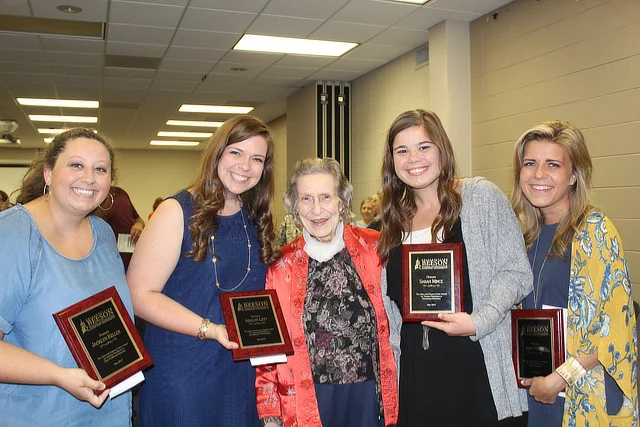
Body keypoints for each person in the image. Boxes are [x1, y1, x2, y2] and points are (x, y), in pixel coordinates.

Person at [378, 109, 532, 427]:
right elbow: (392, 310)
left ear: (441, 150)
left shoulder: (478, 198)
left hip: (476, 367)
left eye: (424, 146)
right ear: (392, 161)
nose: (413, 159)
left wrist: (478, 321)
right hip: (418, 379)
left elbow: (517, 271)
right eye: (401, 150)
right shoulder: (393, 223)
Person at [127, 115, 278, 427]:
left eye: (257, 159)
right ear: (217, 154)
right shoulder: (177, 211)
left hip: (239, 370)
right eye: (236, 153)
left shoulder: (256, 218)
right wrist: (210, 329)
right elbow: (139, 294)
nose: (245, 166)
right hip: (184, 369)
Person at [0, 128, 133, 426]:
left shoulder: (103, 234)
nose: (89, 178)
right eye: (76, 165)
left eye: (100, 169)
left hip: (110, 411)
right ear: (48, 173)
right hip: (39, 414)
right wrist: (59, 376)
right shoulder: (12, 234)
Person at [511, 120, 638, 426]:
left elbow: (614, 329)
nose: (539, 174)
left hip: (580, 389)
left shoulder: (595, 231)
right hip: (536, 382)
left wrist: (561, 378)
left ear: (573, 176)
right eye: (530, 163)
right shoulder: (523, 235)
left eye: (552, 164)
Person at [256, 158, 398, 427]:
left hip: (367, 396)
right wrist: (270, 413)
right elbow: (267, 347)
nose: (317, 209)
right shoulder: (279, 267)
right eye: (306, 199)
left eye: (325, 197)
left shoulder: (376, 249)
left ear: (342, 202)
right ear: (295, 207)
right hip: (309, 398)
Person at [99, 186, 145, 270]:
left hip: (132, 257)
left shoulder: (121, 193)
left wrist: (138, 224)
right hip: (110, 261)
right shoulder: (97, 196)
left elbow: (138, 219)